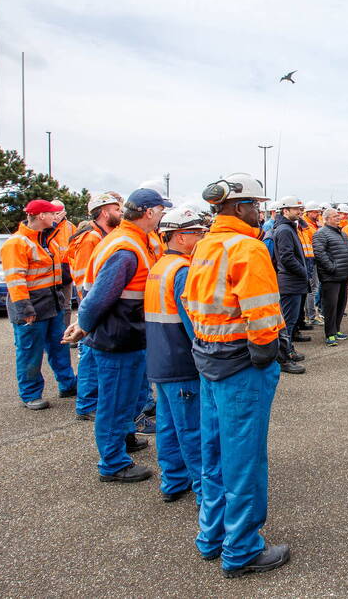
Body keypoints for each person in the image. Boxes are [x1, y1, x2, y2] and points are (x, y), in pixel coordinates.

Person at [181, 174, 289, 578]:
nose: (259, 211)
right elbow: (261, 308)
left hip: (209, 358)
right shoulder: (247, 246)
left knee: (214, 454)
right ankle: (242, 548)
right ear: (239, 207)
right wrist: (265, 351)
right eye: (255, 205)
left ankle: (211, 536)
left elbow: (191, 302)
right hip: (243, 364)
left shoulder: (207, 244)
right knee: (244, 459)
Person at [62, 188, 173, 482]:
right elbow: (99, 296)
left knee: (126, 398)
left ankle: (125, 438)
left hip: (129, 334)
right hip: (118, 337)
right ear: (149, 212)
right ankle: (112, 463)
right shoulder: (126, 248)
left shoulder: (137, 240)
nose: (163, 216)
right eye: (162, 211)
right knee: (114, 402)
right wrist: (82, 325)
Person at [144, 207, 207, 504]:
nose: (202, 237)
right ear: (181, 236)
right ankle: (203, 489)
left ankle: (172, 481)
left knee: (168, 427)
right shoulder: (183, 271)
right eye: (198, 232)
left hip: (161, 360)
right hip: (181, 362)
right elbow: (193, 323)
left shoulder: (160, 266)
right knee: (192, 429)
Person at [1, 198, 76, 410]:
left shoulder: (45, 239)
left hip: (52, 303)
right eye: (52, 214)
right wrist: (25, 309)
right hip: (31, 306)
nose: (56, 217)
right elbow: (15, 280)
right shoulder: (17, 243)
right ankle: (30, 394)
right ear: (41, 216)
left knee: (59, 347)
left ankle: (68, 383)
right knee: (29, 352)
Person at [67, 192, 123, 420]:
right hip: (94, 304)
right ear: (104, 212)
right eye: (116, 209)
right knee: (89, 353)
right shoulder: (91, 238)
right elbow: (84, 276)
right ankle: (87, 404)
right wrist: (89, 308)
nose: (120, 213)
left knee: (92, 353)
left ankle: (90, 400)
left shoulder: (103, 235)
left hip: (99, 302)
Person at [270, 196, 309, 374]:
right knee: (286, 321)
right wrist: (303, 271)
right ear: (285, 211)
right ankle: (283, 359)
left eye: (300, 209)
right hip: (290, 282)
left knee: (291, 321)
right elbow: (286, 257)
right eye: (296, 209)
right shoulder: (285, 230)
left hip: (293, 281)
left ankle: (288, 351)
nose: (300, 212)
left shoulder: (288, 228)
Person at [313, 207, 348, 346]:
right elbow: (320, 253)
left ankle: (336, 330)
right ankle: (330, 334)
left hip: (343, 275)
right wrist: (332, 267)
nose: (338, 218)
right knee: (330, 306)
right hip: (331, 276)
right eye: (335, 216)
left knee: (341, 305)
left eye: (338, 216)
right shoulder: (321, 233)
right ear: (327, 219)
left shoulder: (341, 233)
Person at [300, 201, 323, 327]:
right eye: (315, 212)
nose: (317, 214)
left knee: (313, 288)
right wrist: (320, 228)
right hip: (309, 259)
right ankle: (311, 316)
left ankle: (311, 314)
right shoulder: (307, 225)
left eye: (318, 212)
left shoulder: (313, 224)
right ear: (308, 212)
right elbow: (317, 239)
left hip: (312, 258)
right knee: (312, 288)